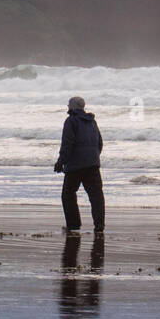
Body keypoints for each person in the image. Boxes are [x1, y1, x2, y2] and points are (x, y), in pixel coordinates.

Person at [53, 95, 104, 234]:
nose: (67, 107)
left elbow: (67, 144)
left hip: (75, 165)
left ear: (73, 106)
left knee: (68, 194)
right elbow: (99, 143)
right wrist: (93, 157)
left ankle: (73, 224)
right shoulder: (92, 121)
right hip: (93, 164)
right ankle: (99, 226)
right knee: (96, 196)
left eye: (68, 104)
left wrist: (60, 161)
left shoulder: (71, 121)